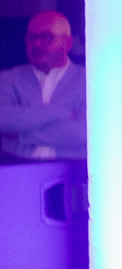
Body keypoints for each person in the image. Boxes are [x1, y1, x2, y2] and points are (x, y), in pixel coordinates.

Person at [0, 10, 87, 159]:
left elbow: (85, 133)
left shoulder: (87, 81)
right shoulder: (8, 79)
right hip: (16, 165)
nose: (37, 44)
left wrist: (20, 134)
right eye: (31, 37)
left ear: (67, 43)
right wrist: (62, 112)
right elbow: (3, 120)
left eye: (46, 37)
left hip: (71, 167)